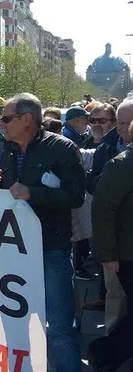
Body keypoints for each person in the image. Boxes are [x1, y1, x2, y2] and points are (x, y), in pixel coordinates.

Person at [0, 93, 84, 372]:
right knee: (14, 322)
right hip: (13, 250)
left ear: (27, 120)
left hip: (51, 249)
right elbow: (7, 193)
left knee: (59, 327)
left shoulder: (62, 149)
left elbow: (76, 196)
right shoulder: (8, 149)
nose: (2, 124)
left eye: (7, 118)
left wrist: (33, 194)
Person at [88, 124, 133, 372]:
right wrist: (107, 255)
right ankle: (104, 352)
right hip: (127, 255)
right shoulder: (123, 164)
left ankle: (106, 354)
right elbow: (103, 209)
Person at [82, 101, 130, 322]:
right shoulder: (106, 149)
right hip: (118, 241)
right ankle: (110, 351)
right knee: (116, 297)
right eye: (93, 121)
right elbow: (101, 203)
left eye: (103, 121)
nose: (124, 127)